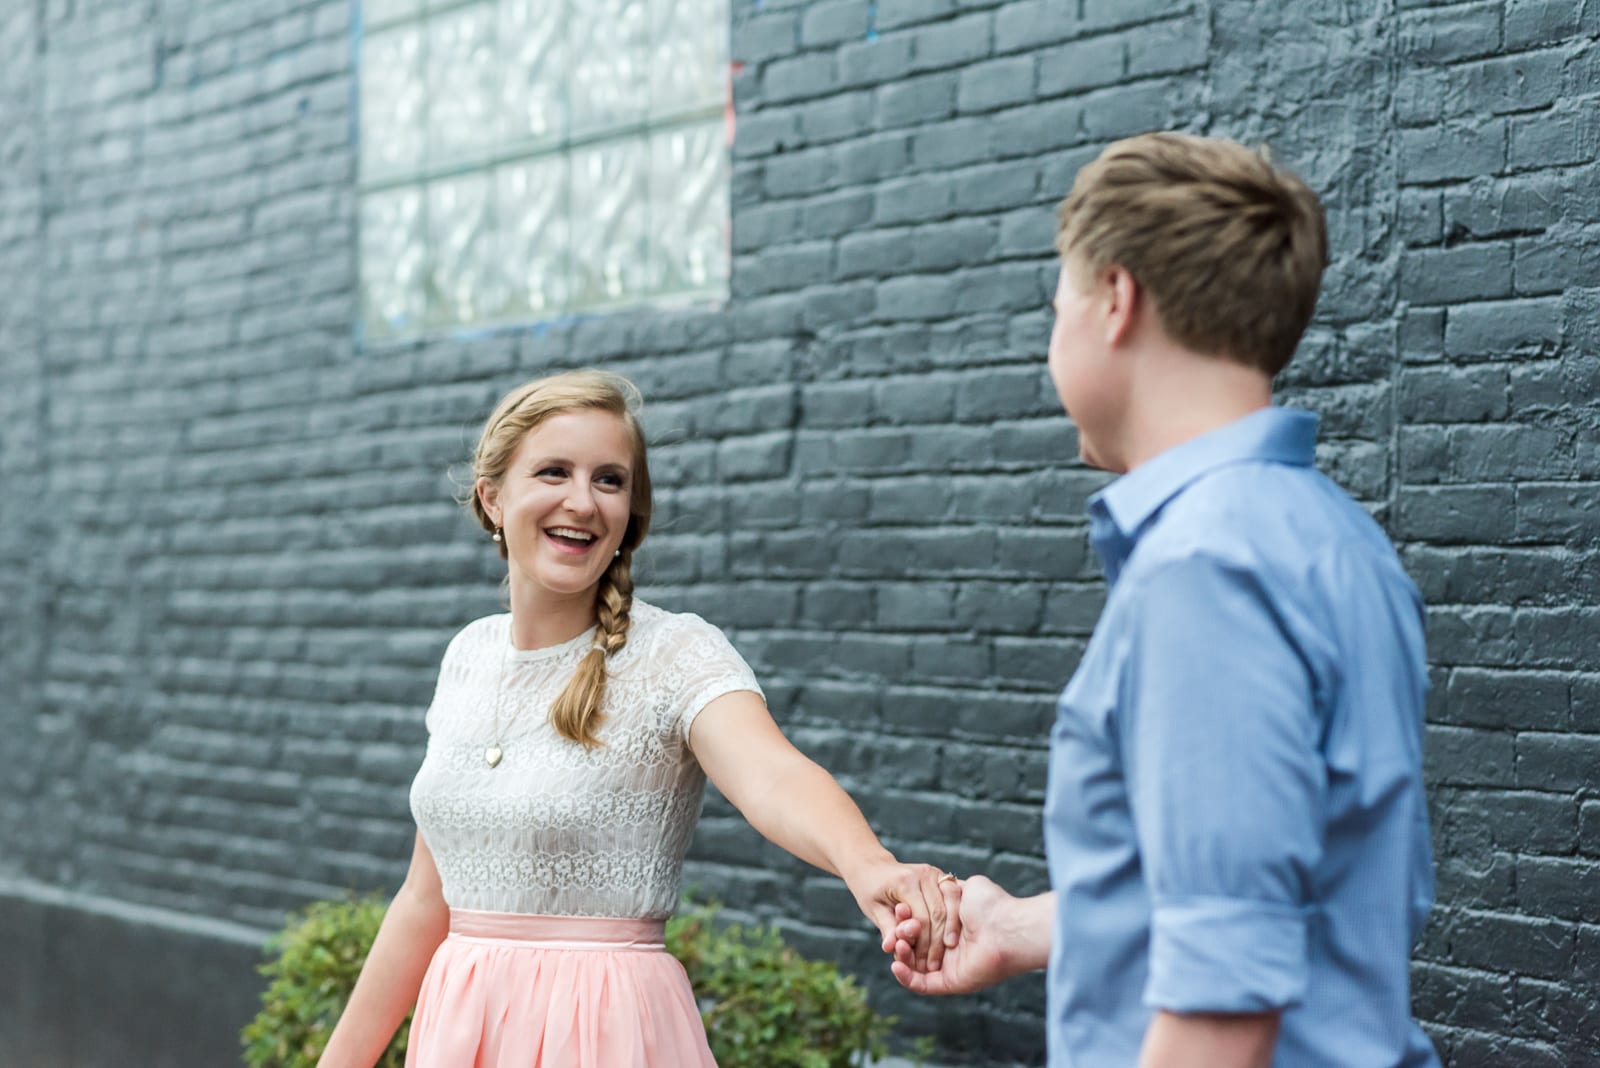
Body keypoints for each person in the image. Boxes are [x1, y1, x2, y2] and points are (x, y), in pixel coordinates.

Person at [890, 132, 1440, 1068]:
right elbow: (1283, 884)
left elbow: (1225, 1001)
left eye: (1057, 299)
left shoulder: (1205, 570)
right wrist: (1024, 927)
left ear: (1114, 299)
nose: (1052, 331)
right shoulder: (1334, 537)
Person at [317, 370, 961, 1068]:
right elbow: (424, 898)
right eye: (555, 471)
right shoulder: (467, 655)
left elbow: (771, 774)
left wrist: (868, 865)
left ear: (630, 511)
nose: (582, 501)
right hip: (461, 1029)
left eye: (610, 480)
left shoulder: (675, 652)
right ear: (493, 498)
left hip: (603, 1034)